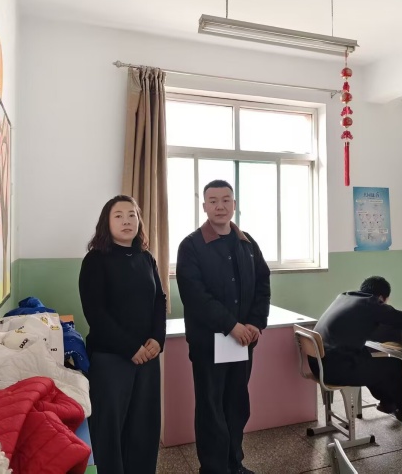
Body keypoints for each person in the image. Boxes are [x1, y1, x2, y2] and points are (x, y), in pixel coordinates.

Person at [176, 179, 271, 474]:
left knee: (237, 406)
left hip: (242, 343)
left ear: (234, 204)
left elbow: (262, 285)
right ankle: (214, 469)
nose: (220, 206)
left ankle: (235, 464)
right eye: (213, 201)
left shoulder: (247, 243)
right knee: (211, 409)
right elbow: (195, 296)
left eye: (226, 200)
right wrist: (231, 325)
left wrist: (254, 323)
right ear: (204, 206)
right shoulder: (191, 246)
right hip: (209, 344)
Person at [79, 195, 166, 474]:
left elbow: (159, 301)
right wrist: (130, 348)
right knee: (109, 430)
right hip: (111, 358)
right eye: (118, 215)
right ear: (106, 221)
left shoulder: (146, 258)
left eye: (132, 215)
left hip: (147, 357)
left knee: (144, 427)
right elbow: (96, 313)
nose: (126, 221)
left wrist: (158, 339)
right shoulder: (95, 260)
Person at [309, 276, 402, 427]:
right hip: (334, 370)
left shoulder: (345, 297)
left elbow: (364, 328)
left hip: (318, 364)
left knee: (365, 355)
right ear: (382, 298)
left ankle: (388, 402)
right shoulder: (371, 304)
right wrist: (384, 310)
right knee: (396, 366)